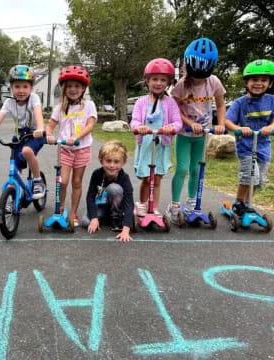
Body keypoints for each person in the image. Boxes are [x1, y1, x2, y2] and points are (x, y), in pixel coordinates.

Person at [165, 38, 226, 223]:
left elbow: (221, 105)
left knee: (196, 169)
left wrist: (221, 123)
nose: (199, 79)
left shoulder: (213, 82)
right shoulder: (181, 85)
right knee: (182, 168)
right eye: (196, 74)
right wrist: (188, 123)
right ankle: (174, 205)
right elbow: (174, 110)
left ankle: (191, 203)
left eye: (203, 75)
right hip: (184, 134)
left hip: (203, 135)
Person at [0, 65, 46, 199]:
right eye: (17, 86)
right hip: (20, 134)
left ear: (31, 88)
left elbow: (38, 113)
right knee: (15, 161)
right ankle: (16, 184)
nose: (21, 90)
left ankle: (38, 180)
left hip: (34, 134)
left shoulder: (34, 98)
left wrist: (40, 128)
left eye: (25, 87)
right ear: (11, 87)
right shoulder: (9, 102)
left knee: (27, 151)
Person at [225, 59, 274, 215]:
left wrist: (271, 127)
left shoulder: (273, 100)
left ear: (270, 84)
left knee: (259, 180)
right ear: (246, 82)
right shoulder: (240, 103)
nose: (259, 83)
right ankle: (238, 203)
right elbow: (227, 121)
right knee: (249, 177)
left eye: (263, 80)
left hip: (264, 146)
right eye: (254, 80)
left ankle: (247, 203)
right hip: (246, 146)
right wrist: (238, 128)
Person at [130, 58, 182, 217]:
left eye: (163, 80)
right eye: (154, 79)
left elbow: (177, 122)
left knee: (157, 178)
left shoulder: (170, 102)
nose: (158, 83)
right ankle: (142, 204)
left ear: (168, 82)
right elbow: (134, 121)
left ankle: (154, 207)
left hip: (161, 146)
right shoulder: (141, 102)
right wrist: (139, 127)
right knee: (146, 178)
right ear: (147, 81)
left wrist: (171, 128)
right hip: (146, 145)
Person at [46, 65, 97, 226]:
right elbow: (51, 125)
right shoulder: (59, 108)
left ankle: (73, 213)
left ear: (83, 88)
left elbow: (90, 125)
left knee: (76, 182)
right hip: (65, 150)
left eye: (76, 86)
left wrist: (76, 136)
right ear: (64, 88)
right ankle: (60, 209)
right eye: (69, 86)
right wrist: (48, 134)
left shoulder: (89, 105)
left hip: (82, 148)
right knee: (63, 181)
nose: (73, 89)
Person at [82, 140, 134, 243]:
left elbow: (129, 203)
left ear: (123, 162)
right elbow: (90, 196)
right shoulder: (97, 174)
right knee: (85, 222)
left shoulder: (124, 178)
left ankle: (117, 218)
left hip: (119, 206)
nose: (111, 165)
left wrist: (126, 229)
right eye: (108, 161)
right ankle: (104, 217)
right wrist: (93, 218)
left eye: (116, 162)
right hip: (101, 204)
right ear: (101, 161)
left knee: (114, 188)